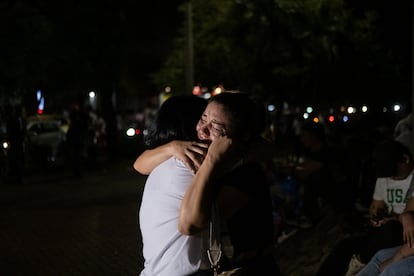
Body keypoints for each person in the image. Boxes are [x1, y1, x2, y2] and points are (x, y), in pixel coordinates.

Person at [135, 92, 282, 275]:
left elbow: (268, 149)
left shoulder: (177, 163)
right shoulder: (194, 160)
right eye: (203, 117)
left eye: (216, 125)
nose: (202, 129)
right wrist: (174, 147)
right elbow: (190, 223)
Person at [316, 139, 414, 276]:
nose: (392, 177)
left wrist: (393, 219)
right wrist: (376, 215)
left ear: (405, 159)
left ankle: (361, 261)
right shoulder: (384, 177)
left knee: (390, 232)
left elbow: (408, 215)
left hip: (400, 232)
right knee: (345, 246)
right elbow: (375, 206)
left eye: (394, 172)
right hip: (383, 230)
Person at [138, 95, 211, 276]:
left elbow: (138, 164)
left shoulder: (165, 163)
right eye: (204, 118)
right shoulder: (188, 165)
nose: (208, 127)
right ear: (191, 123)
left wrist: (171, 147)